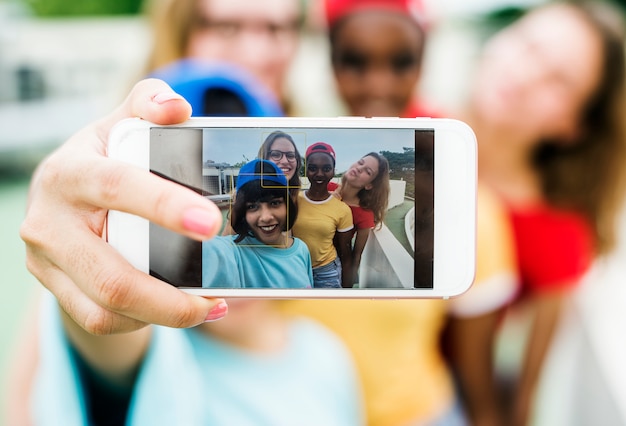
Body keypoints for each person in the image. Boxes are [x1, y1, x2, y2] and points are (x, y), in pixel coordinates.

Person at [13, 80, 364, 425]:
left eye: (274, 199)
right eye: (170, 205)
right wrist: (62, 210)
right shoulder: (164, 346)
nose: (195, 220)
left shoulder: (329, 356)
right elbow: (106, 330)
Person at [283, 0, 520, 425]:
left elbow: (477, 379)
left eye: (401, 62)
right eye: (355, 62)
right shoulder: (288, 195)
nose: (378, 83)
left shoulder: (471, 209)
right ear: (330, 62)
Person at [447, 2, 626, 425]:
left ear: (573, 124)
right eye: (528, 45)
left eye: (558, 80)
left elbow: (522, 400)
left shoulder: (558, 236)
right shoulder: (404, 125)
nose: (525, 75)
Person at [143, 0, 303, 112]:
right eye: (227, 28)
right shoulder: (128, 135)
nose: (254, 55)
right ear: (179, 33)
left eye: (274, 29)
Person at [203, 159, 313, 288]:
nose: (266, 217)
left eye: (275, 203)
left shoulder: (301, 250)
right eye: (252, 206)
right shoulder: (235, 251)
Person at [291, 142, 354, 288]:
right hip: (296, 268)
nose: (319, 174)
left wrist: (348, 293)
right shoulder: (293, 200)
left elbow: (346, 254)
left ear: (333, 171)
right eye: (313, 168)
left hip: (326, 272)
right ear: (306, 170)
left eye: (326, 169)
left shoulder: (342, 209)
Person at [328, 152, 390, 284]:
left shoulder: (364, 214)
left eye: (367, 172)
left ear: (369, 185)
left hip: (332, 268)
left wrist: (347, 287)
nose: (359, 168)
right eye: (360, 163)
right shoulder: (326, 188)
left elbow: (356, 255)